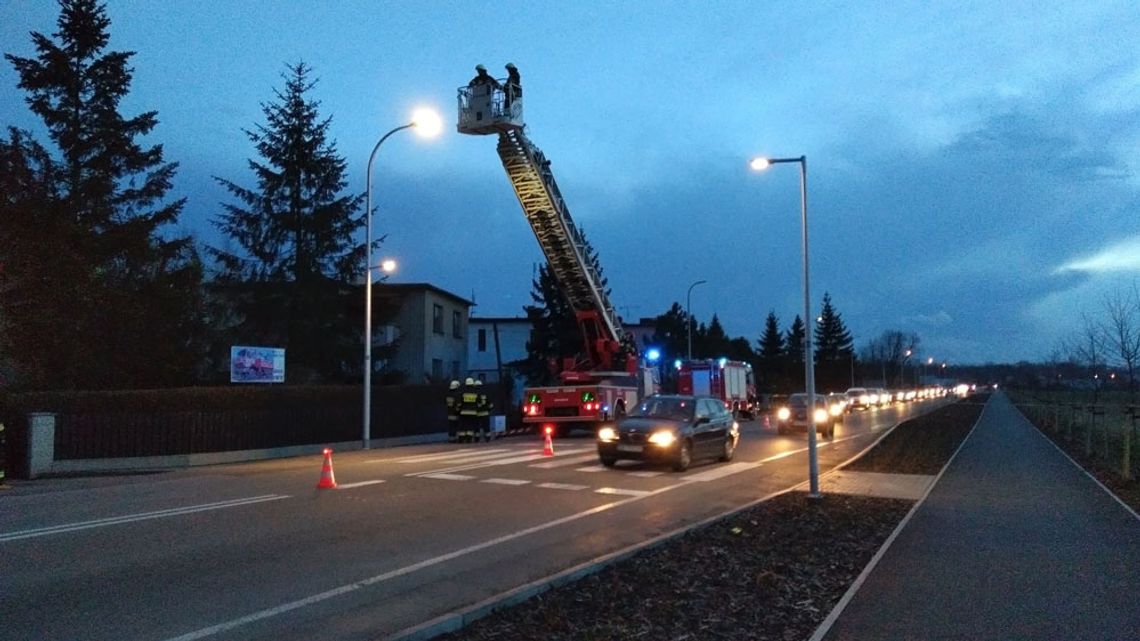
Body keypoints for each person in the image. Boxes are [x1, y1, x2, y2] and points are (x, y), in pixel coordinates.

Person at [459, 377, 479, 443]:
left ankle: (462, 438)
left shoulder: (463, 391)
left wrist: (459, 409)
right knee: (470, 425)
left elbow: (460, 402)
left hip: (463, 412)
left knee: (463, 425)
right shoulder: (475, 392)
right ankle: (469, 439)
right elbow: (478, 402)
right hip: (473, 412)